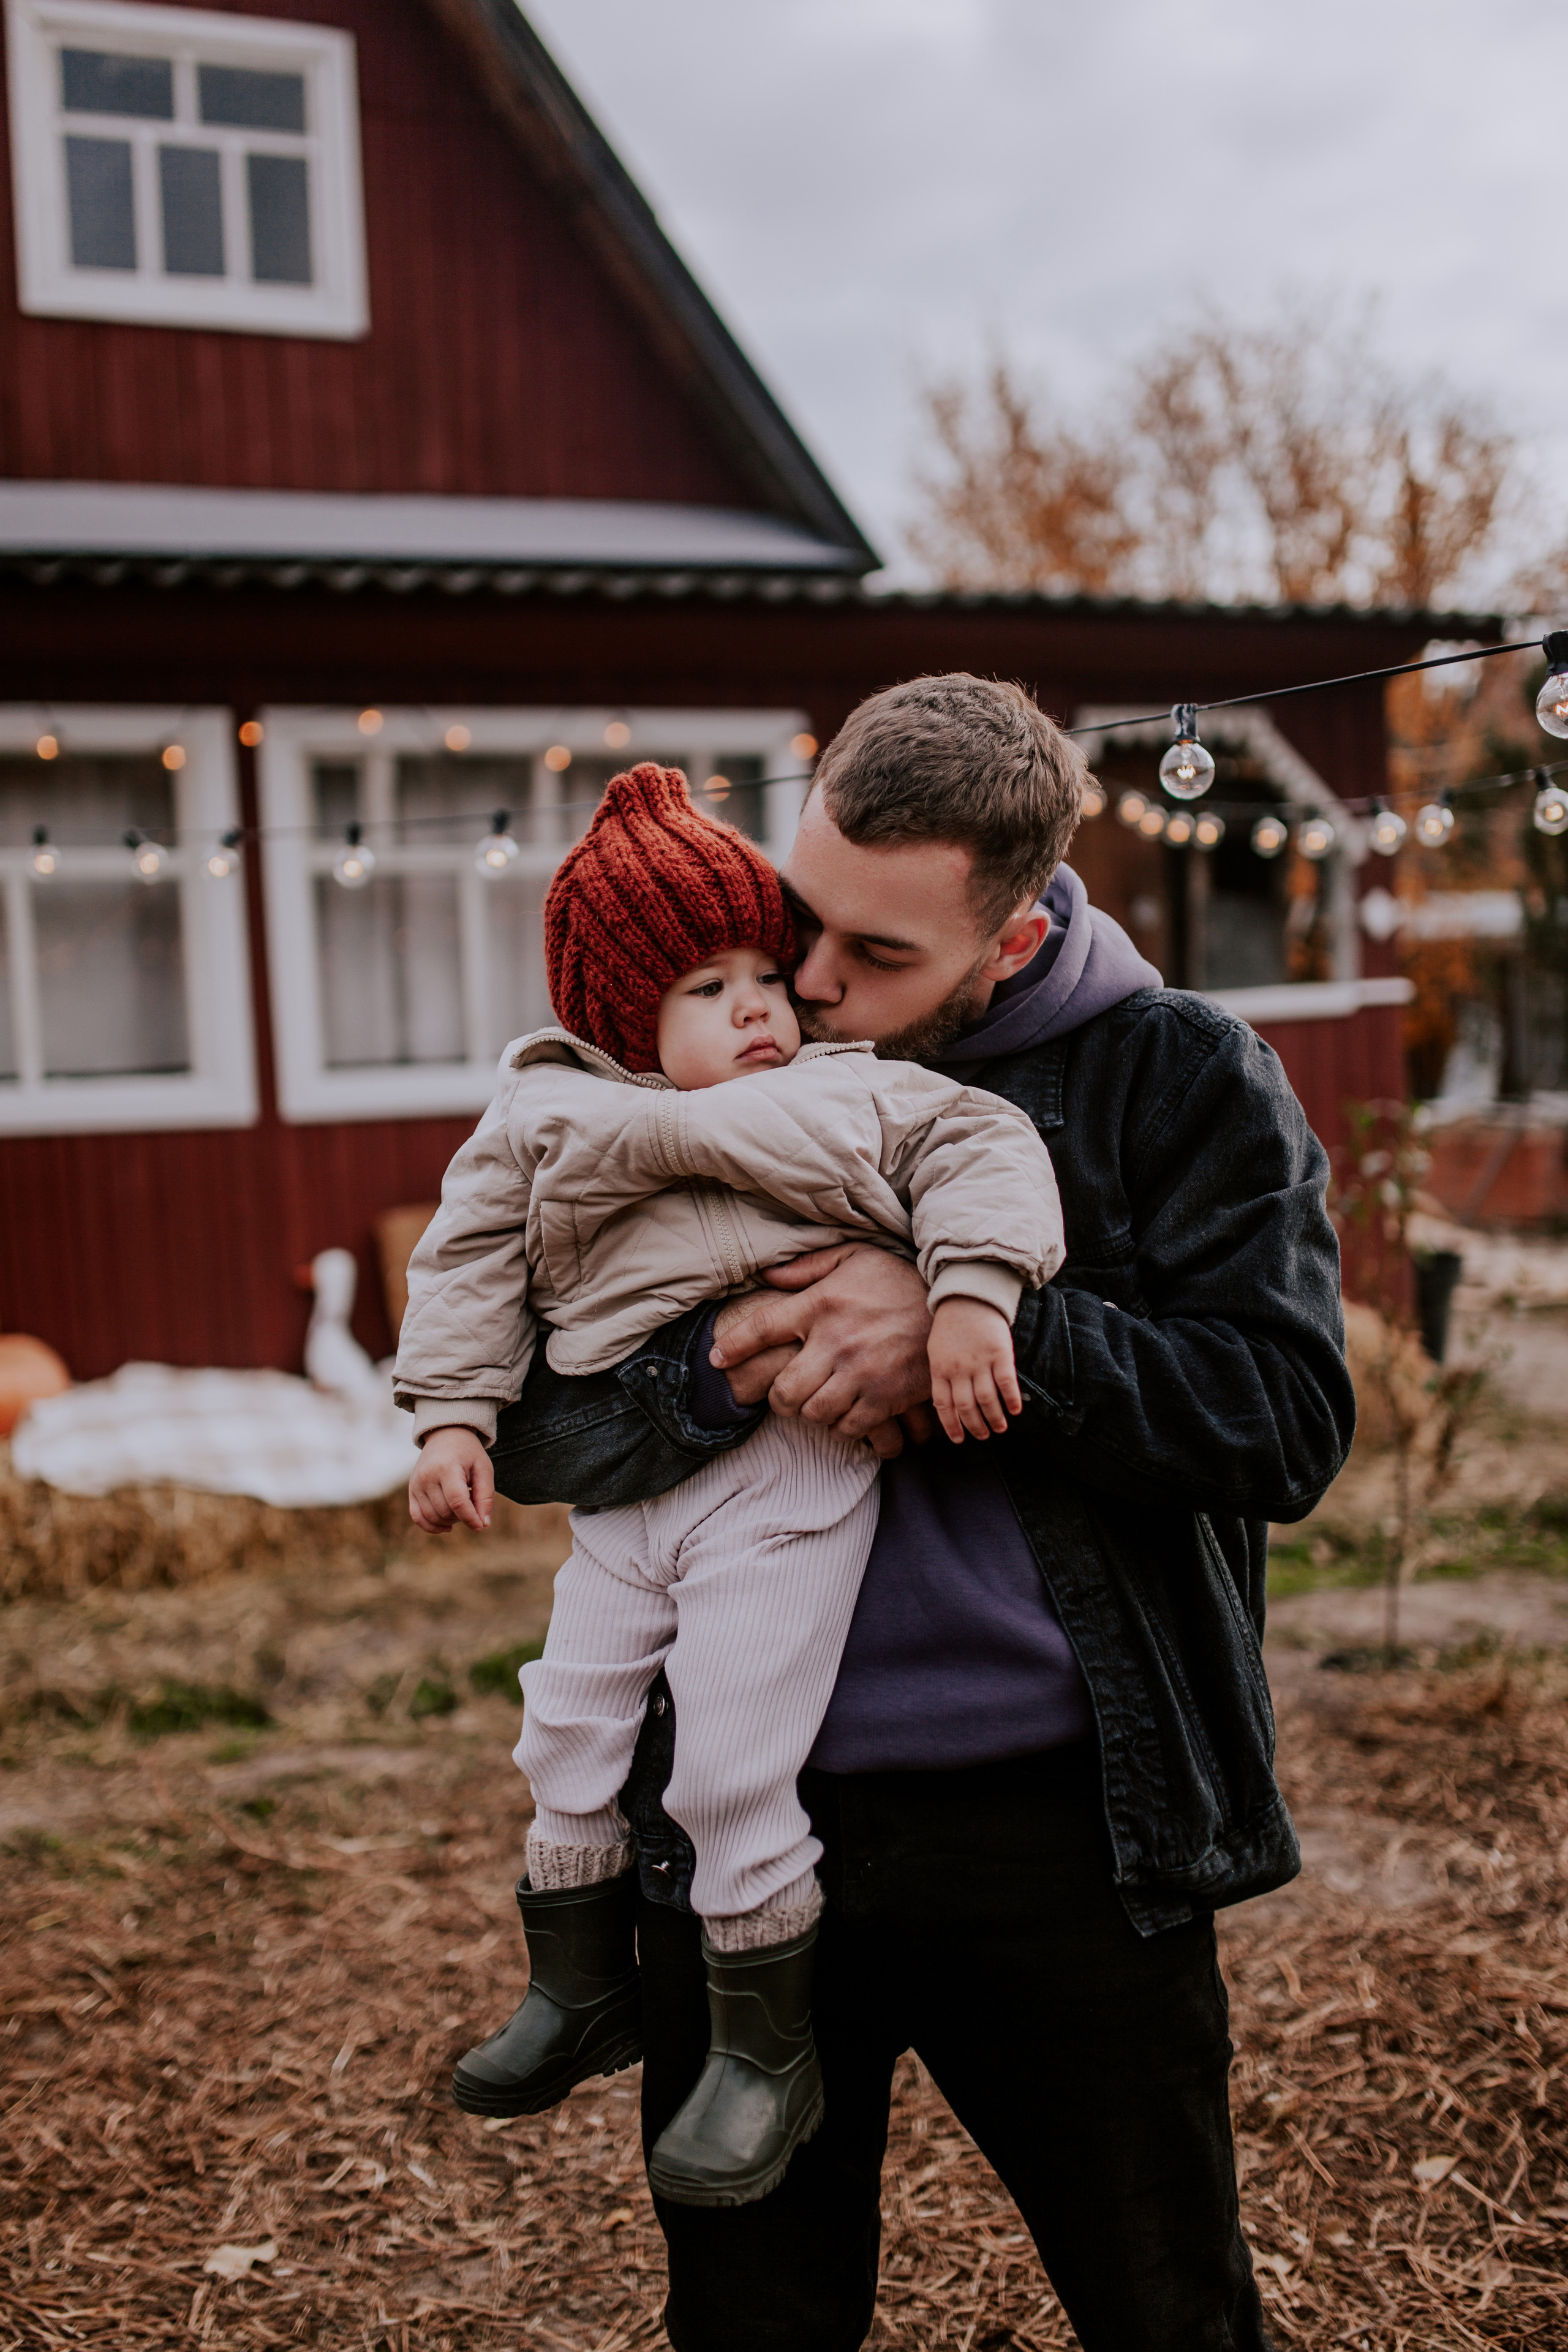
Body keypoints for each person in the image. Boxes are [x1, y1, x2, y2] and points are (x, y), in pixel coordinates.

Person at [485, 673, 1356, 2352]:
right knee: (752, 2320)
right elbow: (535, 1429)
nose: (806, 985)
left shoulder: (1180, 1081)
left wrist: (989, 1330)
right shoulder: (696, 1052)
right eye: (806, 921)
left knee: (1166, 2307)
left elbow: (1286, 1421)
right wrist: (720, 1379)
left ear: (1017, 939)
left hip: (1064, 1837)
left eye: (878, 959)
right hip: (737, 1832)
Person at [395, 761, 1065, 2208]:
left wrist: (969, 1297)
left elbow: (983, 1147)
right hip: (631, 1494)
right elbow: (464, 1267)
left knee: (725, 1762)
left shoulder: (848, 1091)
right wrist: (449, 1420)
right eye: (710, 985)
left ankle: (768, 2054)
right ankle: (577, 1984)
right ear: (619, 1013)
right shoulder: (538, 1118)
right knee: (565, 1724)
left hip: (791, 1475)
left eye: (769, 970)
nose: (764, 1004)